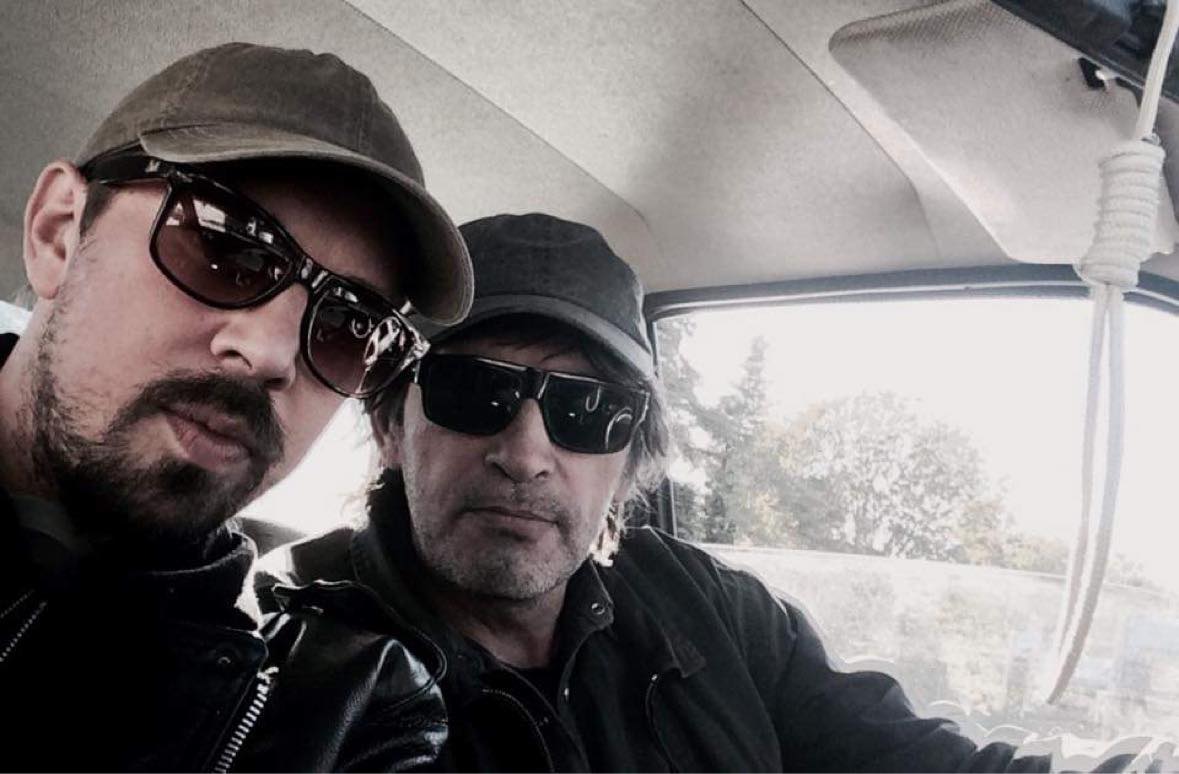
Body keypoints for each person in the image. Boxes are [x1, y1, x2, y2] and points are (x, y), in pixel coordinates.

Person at [260, 212, 1179, 772]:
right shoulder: (291, 667)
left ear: (631, 460)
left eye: (589, 412)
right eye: (475, 392)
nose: (526, 452)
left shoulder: (707, 610)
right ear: (391, 424)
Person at [0, 42, 473, 771]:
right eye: (224, 245)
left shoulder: (344, 711)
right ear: (58, 233)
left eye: (351, 327)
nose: (273, 354)